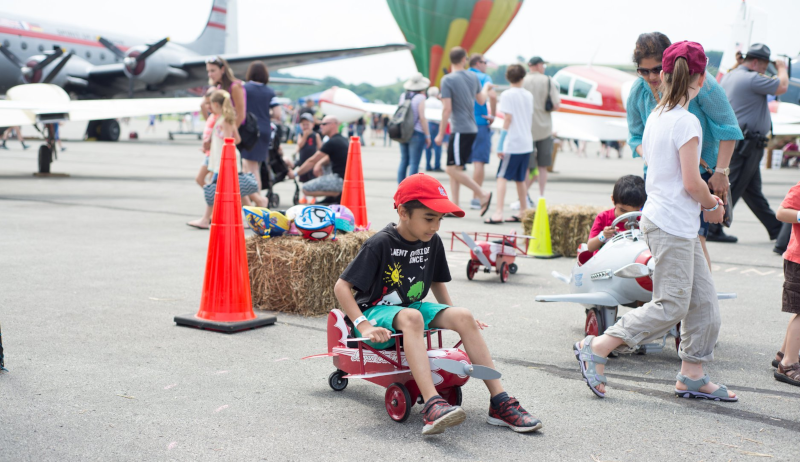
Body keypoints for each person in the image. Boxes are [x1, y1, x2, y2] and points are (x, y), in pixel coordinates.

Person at [574, 42, 737, 402]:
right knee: (672, 305)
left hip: (670, 221)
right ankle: (597, 346)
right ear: (702, 76)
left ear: (662, 75)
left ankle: (692, 373)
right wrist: (713, 205)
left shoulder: (658, 115)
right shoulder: (686, 120)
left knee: (705, 303)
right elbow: (692, 182)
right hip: (671, 224)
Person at [334, 173, 542, 435]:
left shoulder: (431, 241)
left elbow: (435, 281)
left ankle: (499, 402)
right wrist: (362, 325)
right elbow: (342, 287)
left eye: (440, 219)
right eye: (429, 218)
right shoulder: (379, 243)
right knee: (412, 317)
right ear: (403, 212)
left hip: (408, 310)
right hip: (374, 314)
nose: (436, 226)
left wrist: (454, 314)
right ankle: (432, 404)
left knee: (463, 315)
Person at [627, 32, 742, 264]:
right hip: (659, 178)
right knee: (663, 246)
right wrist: (656, 157)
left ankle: (694, 297)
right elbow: (635, 136)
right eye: (643, 71)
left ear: (670, 64)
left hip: (698, 174)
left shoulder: (701, 83)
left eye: (655, 69)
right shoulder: (638, 91)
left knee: (696, 243)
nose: (650, 77)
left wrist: (721, 172)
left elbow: (728, 128)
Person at [716, 43, 789, 243]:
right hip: (747, 144)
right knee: (733, 187)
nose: (766, 70)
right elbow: (782, 86)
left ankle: (776, 228)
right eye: (765, 65)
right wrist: (782, 68)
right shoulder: (752, 78)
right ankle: (713, 227)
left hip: (742, 143)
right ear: (756, 62)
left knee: (752, 190)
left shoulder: (731, 75)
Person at [187, 90, 265, 229]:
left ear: (216, 104)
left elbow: (229, 141)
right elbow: (238, 139)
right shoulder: (223, 119)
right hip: (223, 160)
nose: (208, 107)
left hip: (225, 161)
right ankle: (256, 210)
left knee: (214, 188)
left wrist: (221, 148)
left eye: (210, 104)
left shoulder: (224, 121)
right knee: (239, 191)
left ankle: (206, 219)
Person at [434, 46, 493, 215]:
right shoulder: (473, 76)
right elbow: (481, 100)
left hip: (459, 128)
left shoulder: (447, 80)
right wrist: (486, 88)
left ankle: (483, 194)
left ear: (451, 60)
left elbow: (447, 109)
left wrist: (440, 133)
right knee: (456, 168)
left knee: (450, 169)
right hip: (471, 127)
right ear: (464, 59)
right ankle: (454, 205)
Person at [484, 64, 533, 224]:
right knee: (520, 179)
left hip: (513, 143)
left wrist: (500, 144)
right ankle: (523, 211)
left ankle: (498, 213)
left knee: (501, 177)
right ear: (523, 77)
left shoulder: (506, 95)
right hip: (526, 142)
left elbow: (507, 119)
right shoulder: (528, 95)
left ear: (508, 77)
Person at [519, 56, 560, 207]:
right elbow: (556, 104)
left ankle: (523, 195)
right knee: (543, 166)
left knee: (526, 166)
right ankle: (541, 195)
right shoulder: (548, 80)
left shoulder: (523, 81)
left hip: (526, 129)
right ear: (538, 65)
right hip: (544, 129)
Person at [772, 183, 800, 387]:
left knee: (799, 310)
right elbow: (781, 213)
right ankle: (788, 364)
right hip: (798, 260)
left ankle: (783, 354)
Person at [241, 61, 279, 191]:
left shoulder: (244, 89)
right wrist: (265, 115)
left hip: (249, 130)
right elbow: (278, 114)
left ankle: (258, 201)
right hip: (265, 129)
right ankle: (252, 198)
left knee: (251, 168)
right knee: (251, 165)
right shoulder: (270, 91)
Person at [586, 175, 647, 252]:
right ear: (613, 200)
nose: (628, 217)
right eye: (623, 210)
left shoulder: (641, 219)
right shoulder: (603, 217)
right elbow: (590, 247)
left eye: (634, 212)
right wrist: (603, 235)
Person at [294, 115, 348, 201]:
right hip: (345, 179)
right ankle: (332, 196)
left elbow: (312, 161)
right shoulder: (342, 139)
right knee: (323, 166)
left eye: (324, 124)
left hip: (339, 180)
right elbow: (328, 158)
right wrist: (319, 163)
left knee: (305, 188)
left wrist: (295, 174)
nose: (321, 126)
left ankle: (337, 195)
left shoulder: (332, 142)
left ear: (333, 125)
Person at [468, 53, 497, 210]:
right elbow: (492, 95)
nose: (486, 65)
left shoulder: (462, 75)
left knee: (457, 166)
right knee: (479, 162)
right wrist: (493, 115)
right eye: (485, 62)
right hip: (479, 122)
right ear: (478, 63)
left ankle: (455, 200)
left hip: (462, 122)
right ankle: (475, 198)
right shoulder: (484, 78)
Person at [397, 73, 431, 183]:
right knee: (414, 163)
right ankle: (411, 190)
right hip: (417, 133)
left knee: (404, 160)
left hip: (403, 131)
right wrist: (427, 135)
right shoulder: (421, 97)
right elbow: (422, 117)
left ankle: (400, 188)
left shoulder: (403, 96)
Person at [206, 56, 245, 127]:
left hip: (237, 130)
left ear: (222, 69)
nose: (210, 75)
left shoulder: (235, 86)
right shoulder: (219, 87)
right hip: (224, 131)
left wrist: (230, 134)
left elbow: (241, 115)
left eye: (213, 71)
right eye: (208, 71)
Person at [294, 113, 322, 204]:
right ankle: (304, 197)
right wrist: (305, 136)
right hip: (303, 161)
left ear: (312, 125)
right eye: (303, 124)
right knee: (304, 180)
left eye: (307, 124)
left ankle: (314, 197)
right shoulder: (301, 135)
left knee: (313, 179)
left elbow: (320, 148)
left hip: (312, 162)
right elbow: (300, 145)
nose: (305, 126)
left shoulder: (315, 135)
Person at [195, 88, 217, 187]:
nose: (208, 106)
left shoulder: (219, 118)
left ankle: (259, 200)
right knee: (206, 181)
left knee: (208, 180)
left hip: (214, 154)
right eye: (207, 103)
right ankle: (212, 199)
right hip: (210, 154)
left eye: (210, 103)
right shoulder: (211, 117)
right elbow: (202, 105)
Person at [424, 87, 444, 172]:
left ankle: (428, 165)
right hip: (436, 124)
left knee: (428, 145)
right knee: (437, 146)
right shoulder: (439, 103)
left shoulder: (425, 102)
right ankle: (437, 165)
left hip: (427, 124)